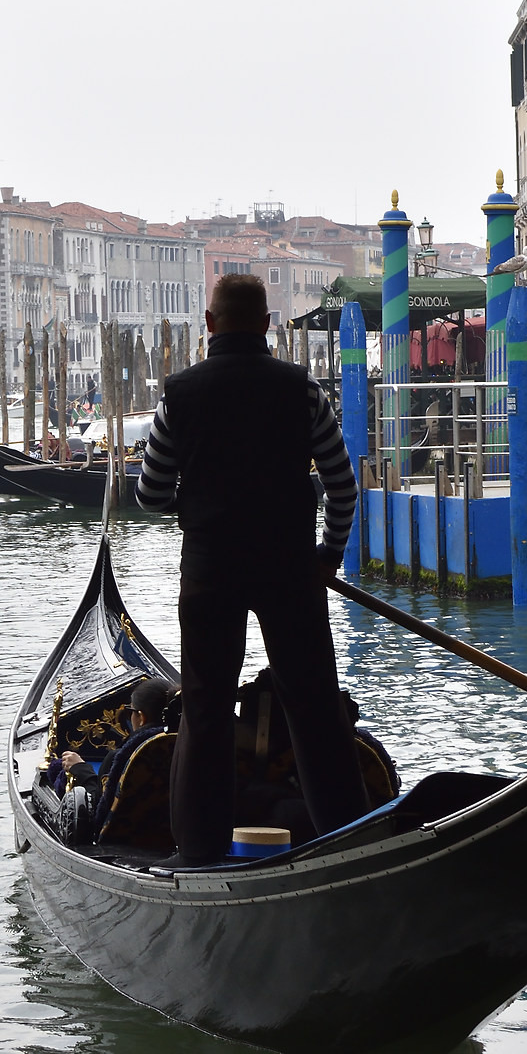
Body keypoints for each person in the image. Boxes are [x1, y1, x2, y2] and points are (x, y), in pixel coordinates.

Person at [135, 273, 365, 865]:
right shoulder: (302, 391)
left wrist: (196, 500)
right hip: (290, 567)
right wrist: (328, 557)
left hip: (211, 569)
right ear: (266, 325)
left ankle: (200, 851)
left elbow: (151, 495)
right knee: (313, 705)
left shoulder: (178, 396)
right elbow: (343, 488)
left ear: (209, 325)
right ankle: (349, 840)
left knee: (206, 709)